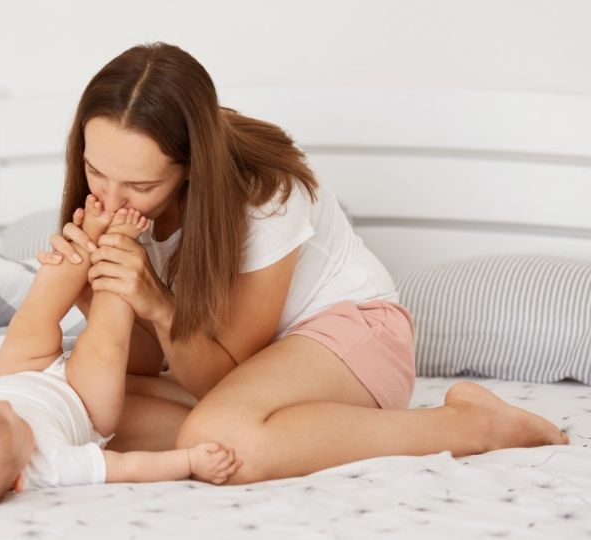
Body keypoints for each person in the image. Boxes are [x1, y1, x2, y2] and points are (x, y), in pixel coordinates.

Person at [39, 42, 570, 484]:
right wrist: (98, 293)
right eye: (94, 171)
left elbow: (219, 375)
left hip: (352, 335)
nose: (111, 198)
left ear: (190, 168)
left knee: (216, 437)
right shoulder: (118, 204)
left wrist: (155, 300)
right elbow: (143, 361)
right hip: (245, 378)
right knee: (77, 402)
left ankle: (468, 426)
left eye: (142, 185)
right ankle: (291, 431)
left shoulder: (266, 195)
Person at [0, 200, 243, 507]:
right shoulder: (53, 465)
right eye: (16, 421)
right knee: (104, 345)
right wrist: (190, 461)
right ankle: (119, 248)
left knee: (31, 320)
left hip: (17, 374)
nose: (8, 405)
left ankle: (87, 236)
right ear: (20, 481)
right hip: (82, 400)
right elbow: (127, 466)